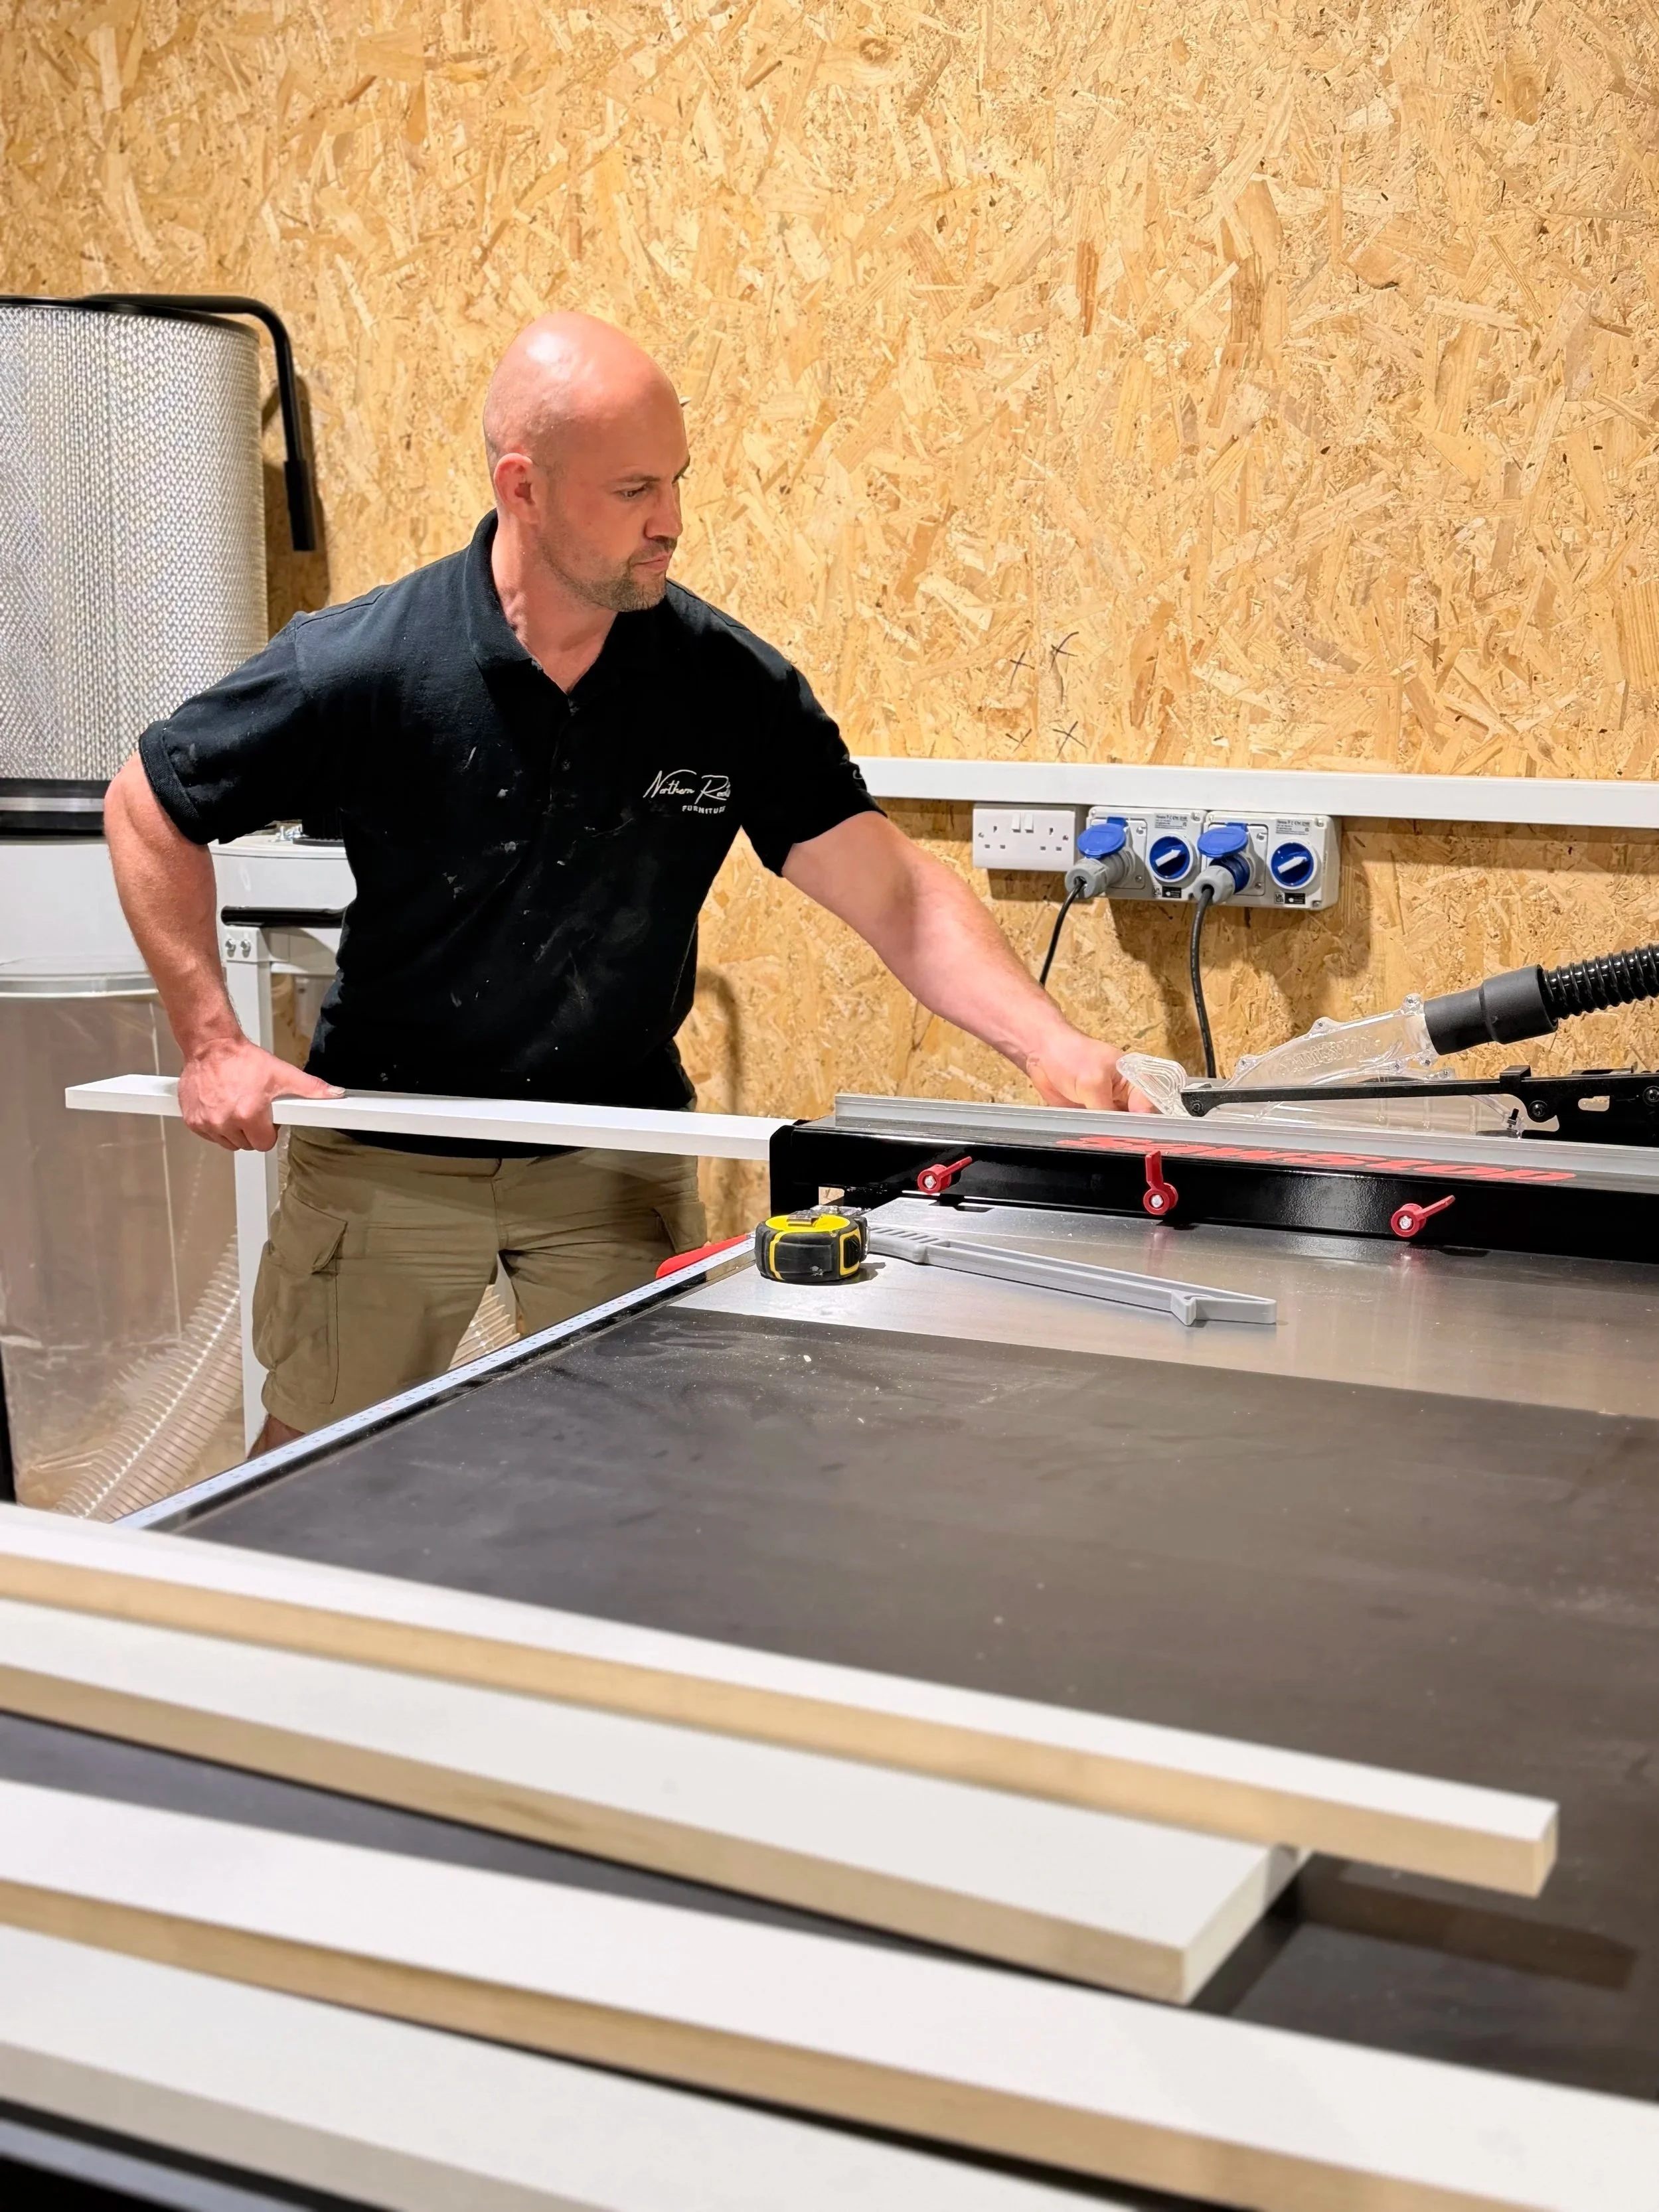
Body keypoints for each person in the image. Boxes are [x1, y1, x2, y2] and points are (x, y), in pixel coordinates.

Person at [105, 311, 1133, 1453]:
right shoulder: (365, 665)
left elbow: (893, 890)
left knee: (645, 1472)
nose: (671, 522)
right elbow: (148, 805)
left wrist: (1047, 1044)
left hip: (610, 1152)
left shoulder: (725, 687)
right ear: (523, 487)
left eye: (677, 481)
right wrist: (212, 1041)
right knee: (315, 1470)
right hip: (388, 1144)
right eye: (635, 489)